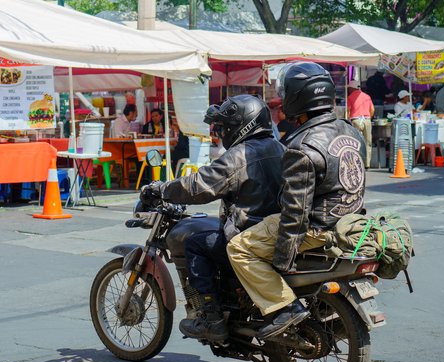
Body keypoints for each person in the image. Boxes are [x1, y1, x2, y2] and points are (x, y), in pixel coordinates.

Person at [227, 62, 367, 340]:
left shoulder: (302, 146)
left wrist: (284, 257)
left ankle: (284, 307)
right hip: (349, 222)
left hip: (317, 228)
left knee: (238, 247)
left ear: (297, 97)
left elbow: (296, 211)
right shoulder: (351, 132)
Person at [140, 95, 284, 342]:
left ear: (242, 125)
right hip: (276, 230)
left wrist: (162, 189)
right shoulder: (280, 147)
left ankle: (212, 319)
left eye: (225, 126)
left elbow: (199, 185)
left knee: (195, 244)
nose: (222, 132)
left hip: (249, 233)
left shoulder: (240, 155)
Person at [346, 79, 374, 168]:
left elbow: (347, 111)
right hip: (367, 120)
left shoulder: (350, 97)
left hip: (356, 120)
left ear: (352, 88)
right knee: (368, 142)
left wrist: (348, 120)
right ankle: (367, 164)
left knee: (355, 142)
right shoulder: (367, 96)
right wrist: (368, 118)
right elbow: (372, 110)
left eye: (349, 88)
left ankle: (357, 162)